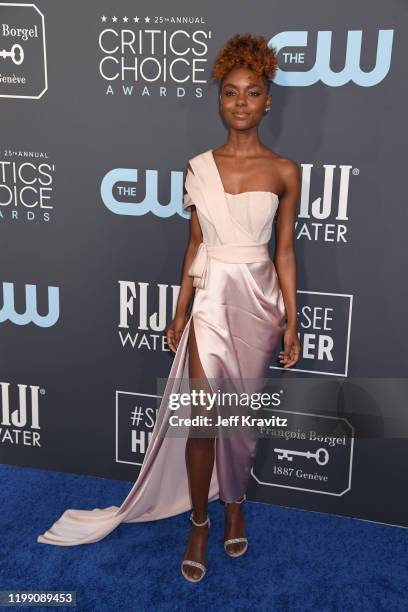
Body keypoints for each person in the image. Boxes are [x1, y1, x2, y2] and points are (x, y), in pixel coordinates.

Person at [37, 33, 301, 584]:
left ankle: (234, 505)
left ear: (268, 100)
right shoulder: (200, 167)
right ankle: (201, 521)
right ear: (219, 98)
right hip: (210, 302)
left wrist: (293, 318)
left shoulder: (285, 171)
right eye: (230, 92)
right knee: (203, 420)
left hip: (259, 303)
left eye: (253, 93)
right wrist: (180, 312)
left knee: (240, 424)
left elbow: (284, 250)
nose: (241, 103)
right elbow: (195, 244)